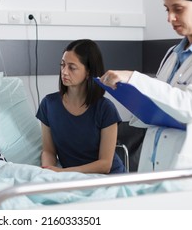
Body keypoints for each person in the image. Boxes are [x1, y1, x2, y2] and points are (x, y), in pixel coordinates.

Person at [100, 0, 192, 188]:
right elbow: (161, 101)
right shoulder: (174, 53)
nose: (170, 18)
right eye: (167, 9)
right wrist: (134, 100)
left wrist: (135, 78)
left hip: (189, 168)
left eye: (178, 9)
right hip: (154, 164)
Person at [36, 39, 125, 174]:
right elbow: (48, 151)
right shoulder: (49, 104)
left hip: (108, 177)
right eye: (62, 65)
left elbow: (105, 165)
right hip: (72, 178)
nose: (64, 72)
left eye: (72, 67)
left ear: (88, 72)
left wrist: (65, 173)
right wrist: (48, 172)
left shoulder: (105, 109)